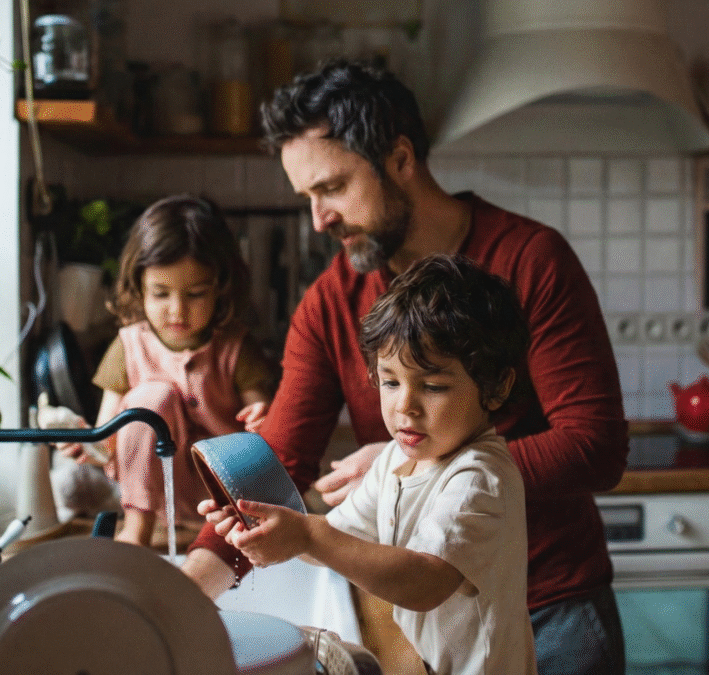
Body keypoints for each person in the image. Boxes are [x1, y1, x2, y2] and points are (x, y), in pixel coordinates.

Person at [182, 60, 629, 675]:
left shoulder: (531, 260)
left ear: (399, 158)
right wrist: (181, 598)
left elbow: (595, 445)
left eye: (332, 187)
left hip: (552, 606)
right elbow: (278, 463)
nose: (319, 219)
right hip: (431, 629)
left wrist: (421, 465)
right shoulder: (331, 301)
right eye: (307, 197)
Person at [228, 254, 536, 675]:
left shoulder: (479, 478)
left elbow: (425, 582)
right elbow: (337, 542)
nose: (405, 406)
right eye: (390, 381)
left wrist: (310, 537)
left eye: (433, 386)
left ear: (497, 387)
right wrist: (274, 530)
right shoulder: (396, 458)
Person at [50, 194, 275, 547]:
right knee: (149, 399)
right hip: (155, 501)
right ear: (139, 287)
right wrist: (88, 444)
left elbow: (265, 422)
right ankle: (135, 529)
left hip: (228, 498)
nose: (177, 310)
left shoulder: (235, 347)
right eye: (160, 294)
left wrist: (264, 420)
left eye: (196, 294)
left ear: (221, 286)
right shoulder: (128, 346)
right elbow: (108, 438)